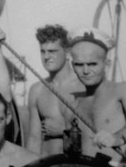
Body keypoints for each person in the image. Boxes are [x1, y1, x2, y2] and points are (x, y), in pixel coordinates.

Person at [62, 28, 126, 167]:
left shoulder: (122, 90)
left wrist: (116, 138)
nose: (85, 71)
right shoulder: (73, 105)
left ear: (106, 65)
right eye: (79, 64)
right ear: (73, 66)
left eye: (92, 64)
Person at [26, 24, 83, 155]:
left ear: (68, 52)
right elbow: (34, 140)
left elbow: (97, 135)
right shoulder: (37, 90)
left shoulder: (82, 87)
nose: (46, 57)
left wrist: (65, 130)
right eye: (43, 51)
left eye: (52, 51)